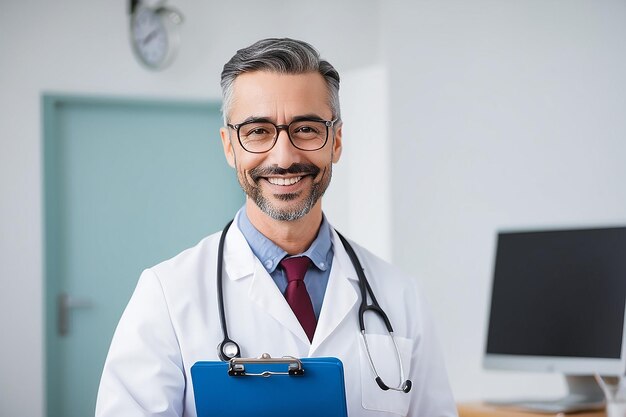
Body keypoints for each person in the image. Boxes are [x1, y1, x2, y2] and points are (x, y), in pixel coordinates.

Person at [95, 38, 457, 417]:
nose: (284, 157)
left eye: (306, 129)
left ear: (336, 141)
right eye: (257, 131)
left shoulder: (400, 296)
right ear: (229, 147)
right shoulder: (167, 295)